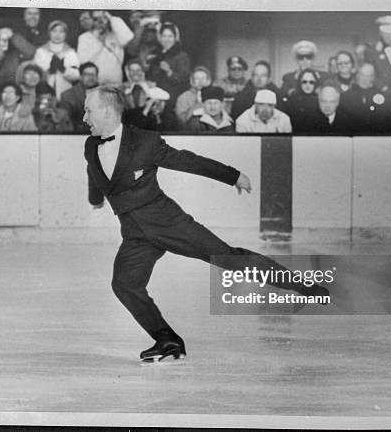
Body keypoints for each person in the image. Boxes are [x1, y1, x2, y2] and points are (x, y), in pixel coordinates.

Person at [82, 85, 329, 362]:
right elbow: (95, 173)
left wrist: (232, 176)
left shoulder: (145, 141)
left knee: (229, 259)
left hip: (168, 222)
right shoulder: (91, 145)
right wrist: (95, 200)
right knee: (124, 284)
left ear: (106, 110)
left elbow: (187, 161)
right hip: (135, 234)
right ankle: (167, 340)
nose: (84, 117)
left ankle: (304, 287)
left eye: (88, 110)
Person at [77, 11, 134, 85]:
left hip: (115, 82)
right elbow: (83, 60)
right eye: (96, 19)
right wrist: (98, 40)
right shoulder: (84, 37)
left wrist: (111, 18)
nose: (100, 21)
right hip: (95, 82)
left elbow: (128, 37)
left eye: (104, 18)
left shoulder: (116, 35)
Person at [340, 63, 391, 135]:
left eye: (369, 76)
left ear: (373, 77)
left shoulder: (383, 98)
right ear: (357, 75)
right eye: (362, 75)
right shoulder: (345, 97)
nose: (365, 79)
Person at [146, 22, 191, 113]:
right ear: (160, 38)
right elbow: (151, 77)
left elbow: (184, 79)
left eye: (170, 36)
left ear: (175, 38)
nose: (167, 39)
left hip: (174, 100)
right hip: (156, 99)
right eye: (164, 36)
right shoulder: (157, 55)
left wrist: (169, 72)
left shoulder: (182, 56)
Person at [33, 21, 81, 100]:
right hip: (44, 92)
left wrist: (63, 69)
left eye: (61, 31)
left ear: (65, 34)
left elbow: (77, 76)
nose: (57, 35)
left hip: (65, 91)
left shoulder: (71, 52)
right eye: (54, 31)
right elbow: (36, 74)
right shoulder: (41, 51)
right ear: (49, 33)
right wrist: (49, 70)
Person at [60, 62, 99, 134]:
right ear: (81, 76)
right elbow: (66, 123)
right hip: (77, 135)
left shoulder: (105, 94)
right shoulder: (67, 95)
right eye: (87, 74)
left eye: (93, 75)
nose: (91, 77)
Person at [279, 69, 321, 134]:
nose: (308, 85)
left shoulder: (320, 101)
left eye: (311, 82)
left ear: (316, 83)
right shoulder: (291, 101)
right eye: (304, 82)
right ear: (300, 83)